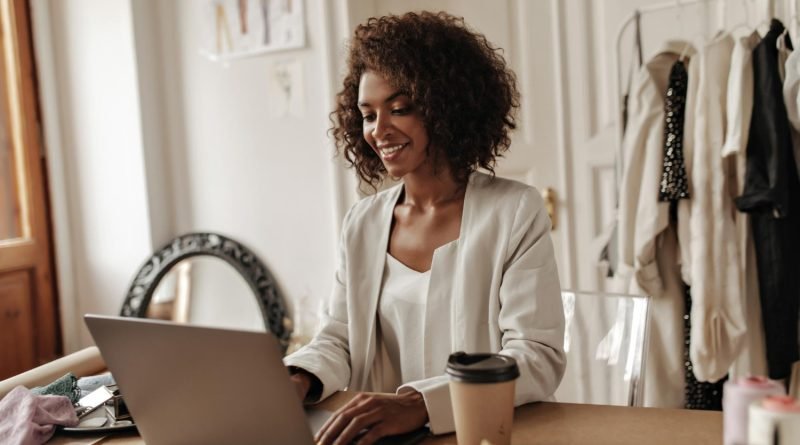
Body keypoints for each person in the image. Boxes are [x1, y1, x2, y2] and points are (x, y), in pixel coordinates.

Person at [284, 11, 565, 445]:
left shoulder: (513, 211)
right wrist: (297, 376)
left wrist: (419, 405)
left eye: (399, 109)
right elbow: (339, 336)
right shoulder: (362, 222)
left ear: (445, 105)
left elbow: (536, 357)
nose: (379, 131)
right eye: (367, 114)